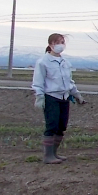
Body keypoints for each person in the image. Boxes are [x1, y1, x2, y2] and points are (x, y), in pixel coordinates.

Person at [31, 33, 87, 164]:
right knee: (52, 125)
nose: (61, 45)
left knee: (62, 126)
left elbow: (69, 81)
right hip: (51, 97)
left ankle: (54, 153)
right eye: (58, 42)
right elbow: (38, 82)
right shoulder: (43, 62)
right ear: (51, 44)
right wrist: (39, 96)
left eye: (63, 42)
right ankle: (48, 155)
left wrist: (77, 94)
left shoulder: (65, 62)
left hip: (64, 97)